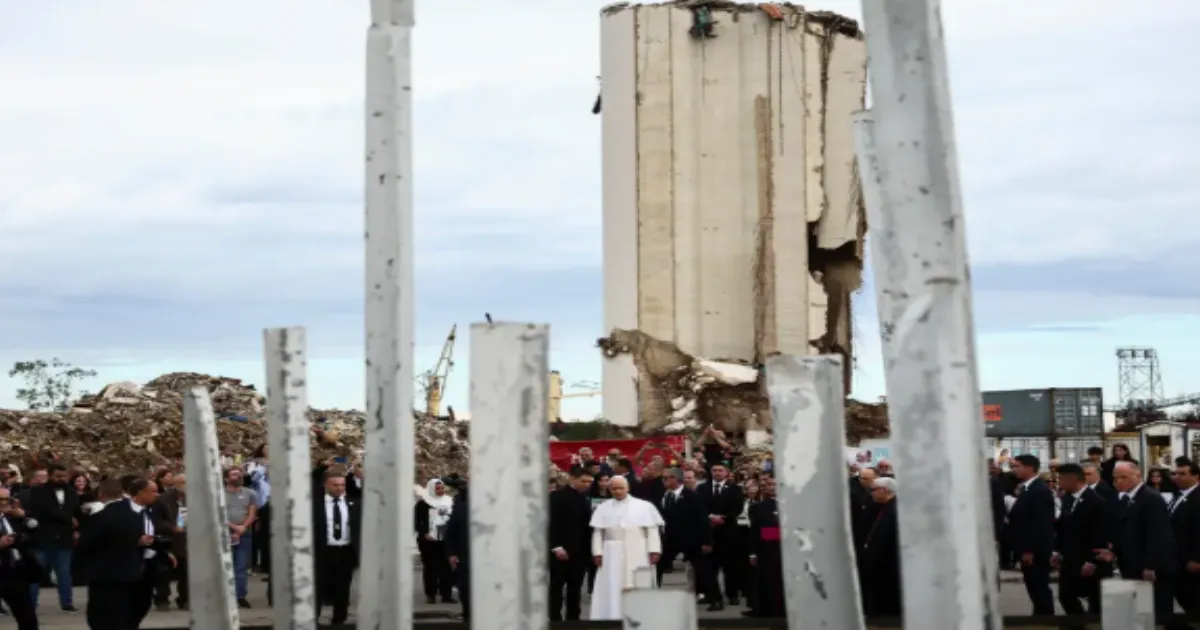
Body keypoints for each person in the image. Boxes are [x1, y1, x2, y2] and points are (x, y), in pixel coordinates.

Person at [1094, 461, 1177, 622]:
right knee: (1139, 607)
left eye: (1123, 477)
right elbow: (1124, 530)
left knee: (1157, 609)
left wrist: (1151, 565)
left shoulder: (1150, 498)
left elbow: (1158, 534)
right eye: (1115, 478)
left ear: (1138, 476)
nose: (1118, 481)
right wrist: (1113, 552)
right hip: (1131, 563)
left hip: (1148, 564)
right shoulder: (1125, 498)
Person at [588, 476, 663, 620]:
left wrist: (654, 550)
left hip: (638, 550)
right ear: (609, 489)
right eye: (614, 488)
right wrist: (597, 552)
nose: (617, 491)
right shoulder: (603, 507)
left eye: (621, 488)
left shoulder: (644, 506)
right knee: (612, 584)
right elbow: (598, 532)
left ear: (628, 488)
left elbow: (652, 530)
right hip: (611, 553)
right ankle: (612, 616)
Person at [77, 478, 144, 630]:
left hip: (105, 575)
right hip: (130, 572)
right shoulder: (134, 515)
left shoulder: (101, 517)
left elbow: (85, 544)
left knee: (102, 618)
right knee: (124, 616)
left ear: (101, 494)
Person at [656, 468, 721, 609]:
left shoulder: (691, 496)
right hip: (670, 539)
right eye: (663, 478)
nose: (664, 480)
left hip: (692, 539)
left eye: (667, 478)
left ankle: (716, 600)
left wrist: (706, 541)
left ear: (676, 479)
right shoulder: (665, 496)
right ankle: (652, 595)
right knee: (658, 566)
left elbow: (702, 519)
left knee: (704, 570)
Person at [1051, 463, 1108, 618]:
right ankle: (1078, 623)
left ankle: (1086, 623)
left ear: (1072, 479)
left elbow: (1099, 533)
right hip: (1069, 557)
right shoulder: (1068, 498)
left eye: (1061, 479)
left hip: (1086, 558)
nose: (1059, 483)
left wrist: (1092, 561)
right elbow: (1063, 527)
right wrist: (1057, 551)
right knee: (1065, 595)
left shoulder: (1096, 502)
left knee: (1094, 599)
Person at [1004, 454, 1056, 615]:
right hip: (1026, 546)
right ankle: (1040, 616)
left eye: (1017, 466)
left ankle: (1046, 618)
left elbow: (1040, 524)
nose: (1014, 470)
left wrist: (1029, 550)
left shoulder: (1039, 490)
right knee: (1033, 586)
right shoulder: (1027, 488)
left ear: (1029, 468)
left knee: (1038, 586)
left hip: (1035, 550)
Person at [25, 463, 79, 612]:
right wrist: (69, 520)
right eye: (57, 476)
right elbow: (46, 510)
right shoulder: (38, 491)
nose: (61, 479)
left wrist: (78, 526)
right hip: (43, 538)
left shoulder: (71, 491)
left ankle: (67, 602)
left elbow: (75, 510)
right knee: (36, 572)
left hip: (64, 538)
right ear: (49, 476)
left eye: (63, 476)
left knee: (64, 573)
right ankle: (30, 604)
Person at [313, 469, 360, 624]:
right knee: (318, 587)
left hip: (345, 551)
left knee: (343, 588)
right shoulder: (315, 505)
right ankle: (313, 619)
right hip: (323, 551)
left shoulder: (353, 504)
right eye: (335, 485)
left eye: (342, 485)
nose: (339, 488)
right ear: (326, 485)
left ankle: (339, 620)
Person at [547, 466, 593, 621]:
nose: (587, 485)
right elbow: (551, 523)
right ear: (572, 478)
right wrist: (556, 546)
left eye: (589, 482)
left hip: (580, 552)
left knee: (575, 588)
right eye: (583, 481)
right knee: (556, 587)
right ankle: (554, 619)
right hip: (560, 551)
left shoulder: (584, 498)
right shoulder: (556, 497)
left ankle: (573, 620)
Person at [696, 462, 744, 607]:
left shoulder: (735, 489)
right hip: (709, 533)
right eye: (714, 470)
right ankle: (715, 598)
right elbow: (699, 506)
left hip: (728, 532)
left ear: (726, 472)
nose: (717, 473)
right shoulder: (702, 488)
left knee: (730, 567)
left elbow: (738, 507)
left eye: (720, 470)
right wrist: (710, 517)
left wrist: (724, 517)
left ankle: (732, 594)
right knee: (710, 568)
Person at [127, 478, 171, 628]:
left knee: (144, 601)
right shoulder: (125, 511)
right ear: (140, 492)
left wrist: (164, 552)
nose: (157, 495)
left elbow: (152, 533)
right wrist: (136, 540)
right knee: (132, 602)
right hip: (132, 561)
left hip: (150, 560)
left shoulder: (149, 510)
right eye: (153, 491)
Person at [0, 487, 40, 630]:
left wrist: (23, 517)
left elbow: (35, 531)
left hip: (15, 571)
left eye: (7, 499)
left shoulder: (11, 518)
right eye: (0, 499)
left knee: (28, 618)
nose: (4, 503)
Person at [861, 477, 900, 617]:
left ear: (884, 490)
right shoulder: (885, 508)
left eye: (874, 490)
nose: (871, 494)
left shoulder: (894, 511)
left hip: (888, 568)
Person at [746, 475, 783, 618]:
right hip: (766, 549)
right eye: (770, 484)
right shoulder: (758, 507)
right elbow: (754, 531)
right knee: (767, 579)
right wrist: (752, 552)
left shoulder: (793, 506)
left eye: (776, 484)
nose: (773, 487)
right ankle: (766, 609)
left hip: (786, 549)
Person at [414, 479, 455, 605]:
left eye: (442, 488)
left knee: (446, 567)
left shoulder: (449, 501)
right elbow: (416, 521)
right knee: (431, 567)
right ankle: (430, 594)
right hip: (429, 541)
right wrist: (424, 533)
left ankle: (446, 594)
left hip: (446, 539)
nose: (440, 490)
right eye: (437, 488)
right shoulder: (423, 503)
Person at [1168, 459, 1199, 616]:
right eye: (1175, 474)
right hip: (1177, 558)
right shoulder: (1177, 495)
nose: (1177, 477)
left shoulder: (1197, 498)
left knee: (1193, 599)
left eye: (1182, 474)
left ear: (1196, 476)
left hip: (1191, 559)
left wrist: (1197, 558)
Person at [223, 467, 257, 608]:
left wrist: (242, 527)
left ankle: (240, 596)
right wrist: (233, 527)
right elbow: (217, 513)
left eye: (239, 473)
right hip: (224, 533)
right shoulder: (220, 494)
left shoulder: (250, 493)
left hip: (244, 534)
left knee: (241, 566)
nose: (238, 476)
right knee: (225, 566)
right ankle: (226, 596)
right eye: (234, 474)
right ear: (226, 478)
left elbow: (252, 513)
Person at [155, 473, 189, 610]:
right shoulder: (162, 499)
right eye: (182, 482)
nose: (185, 485)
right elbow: (157, 519)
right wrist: (172, 528)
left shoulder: (193, 498)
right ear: (175, 484)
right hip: (167, 540)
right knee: (164, 572)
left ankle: (185, 599)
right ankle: (162, 599)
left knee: (186, 571)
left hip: (186, 540)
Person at [442, 478, 470, 621]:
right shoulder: (461, 509)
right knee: (466, 589)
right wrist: (451, 554)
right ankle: (468, 615)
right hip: (465, 556)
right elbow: (450, 533)